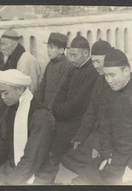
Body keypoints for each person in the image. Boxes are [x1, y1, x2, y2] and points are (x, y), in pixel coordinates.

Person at [72, 48, 132, 185]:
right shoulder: (110, 92)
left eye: (112, 75)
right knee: (80, 180)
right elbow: (105, 128)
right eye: (106, 75)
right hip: (115, 156)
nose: (109, 80)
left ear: (126, 71)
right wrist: (108, 156)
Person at [0, 69, 55, 185]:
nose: (2, 97)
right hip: (14, 165)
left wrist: (10, 183)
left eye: (5, 93)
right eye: (1, 93)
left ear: (20, 90)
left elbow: (32, 157)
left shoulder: (41, 115)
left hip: (39, 170)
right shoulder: (11, 110)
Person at [54, 40, 112, 184]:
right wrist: (80, 136)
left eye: (99, 61)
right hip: (96, 129)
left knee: (92, 162)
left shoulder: (112, 80)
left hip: (110, 136)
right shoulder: (100, 78)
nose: (96, 66)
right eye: (94, 62)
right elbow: (92, 110)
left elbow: (111, 119)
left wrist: (98, 143)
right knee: (69, 156)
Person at [50, 35, 98, 164]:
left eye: (74, 55)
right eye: (70, 55)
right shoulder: (73, 68)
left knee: (59, 133)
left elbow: (79, 102)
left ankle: (55, 163)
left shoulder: (92, 72)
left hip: (78, 118)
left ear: (86, 53)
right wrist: (56, 109)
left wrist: (59, 112)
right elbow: (61, 92)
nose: (71, 59)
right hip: (65, 114)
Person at [35, 32, 72, 110]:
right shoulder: (50, 64)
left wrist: (50, 109)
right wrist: (37, 106)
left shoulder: (66, 66)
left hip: (56, 109)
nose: (48, 50)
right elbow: (42, 87)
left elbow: (60, 92)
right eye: (47, 47)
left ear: (61, 50)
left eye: (51, 47)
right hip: (45, 107)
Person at [0, 29, 41, 93]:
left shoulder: (26, 59)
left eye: (5, 45)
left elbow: (31, 87)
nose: (2, 48)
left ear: (15, 44)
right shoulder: (8, 58)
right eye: (1, 45)